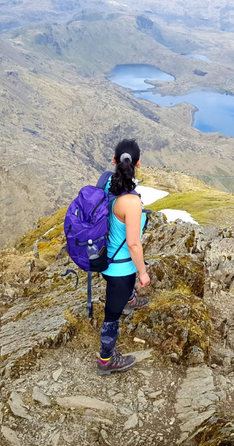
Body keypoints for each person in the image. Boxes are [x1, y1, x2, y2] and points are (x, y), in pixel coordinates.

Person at [97, 139, 151, 376]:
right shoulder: (132, 201)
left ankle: (129, 300)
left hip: (104, 259)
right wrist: (143, 272)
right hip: (120, 269)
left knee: (118, 296)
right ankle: (106, 359)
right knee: (111, 315)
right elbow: (133, 243)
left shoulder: (107, 181)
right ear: (138, 162)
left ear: (114, 161)